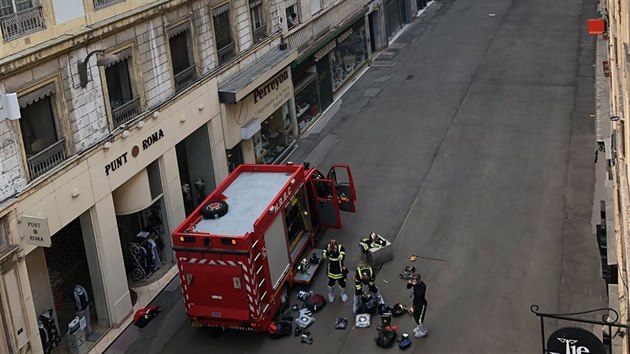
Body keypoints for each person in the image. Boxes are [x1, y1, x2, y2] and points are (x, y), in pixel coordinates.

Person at [407, 273, 428, 338]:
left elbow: (420, 295)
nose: (413, 281)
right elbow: (408, 287)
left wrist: (415, 285)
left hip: (422, 304)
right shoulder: (415, 284)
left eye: (415, 280)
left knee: (419, 319)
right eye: (413, 280)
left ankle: (423, 332)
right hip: (416, 302)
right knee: (415, 316)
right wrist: (409, 283)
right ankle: (419, 327)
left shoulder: (423, 286)